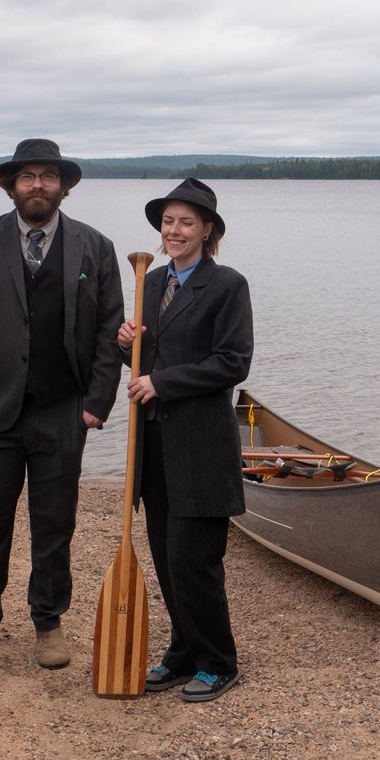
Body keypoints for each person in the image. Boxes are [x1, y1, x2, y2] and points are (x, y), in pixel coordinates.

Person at [0, 138, 124, 669]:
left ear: (64, 186)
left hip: (63, 409)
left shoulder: (95, 246)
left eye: (48, 176)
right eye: (28, 176)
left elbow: (110, 329)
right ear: (11, 186)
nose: (38, 185)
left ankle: (48, 620)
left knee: (54, 523)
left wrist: (97, 401)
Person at [116, 178, 253, 702]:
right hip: (154, 448)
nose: (174, 231)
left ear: (207, 230)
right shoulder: (150, 282)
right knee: (167, 559)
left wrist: (163, 382)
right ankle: (182, 652)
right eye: (168, 221)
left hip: (201, 447)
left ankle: (218, 662)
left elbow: (232, 363)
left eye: (186, 223)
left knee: (195, 562)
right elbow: (141, 363)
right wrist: (125, 344)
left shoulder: (227, 285)